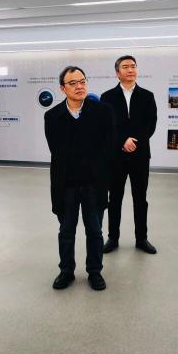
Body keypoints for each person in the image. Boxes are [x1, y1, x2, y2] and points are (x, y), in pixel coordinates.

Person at [44, 66, 115, 291]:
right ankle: (66, 271)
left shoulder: (103, 111)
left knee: (94, 230)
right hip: (66, 184)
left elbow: (108, 146)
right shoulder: (52, 116)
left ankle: (95, 271)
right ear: (62, 88)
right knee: (66, 231)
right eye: (73, 83)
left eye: (82, 81)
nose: (79, 86)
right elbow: (56, 151)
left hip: (94, 182)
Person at [101, 55, 158, 254]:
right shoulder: (107, 97)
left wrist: (135, 141)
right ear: (117, 73)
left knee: (140, 198)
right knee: (114, 199)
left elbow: (151, 124)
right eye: (125, 67)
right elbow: (106, 126)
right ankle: (112, 238)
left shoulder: (147, 96)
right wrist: (122, 142)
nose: (130, 69)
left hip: (140, 155)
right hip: (115, 157)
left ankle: (141, 238)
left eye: (133, 66)